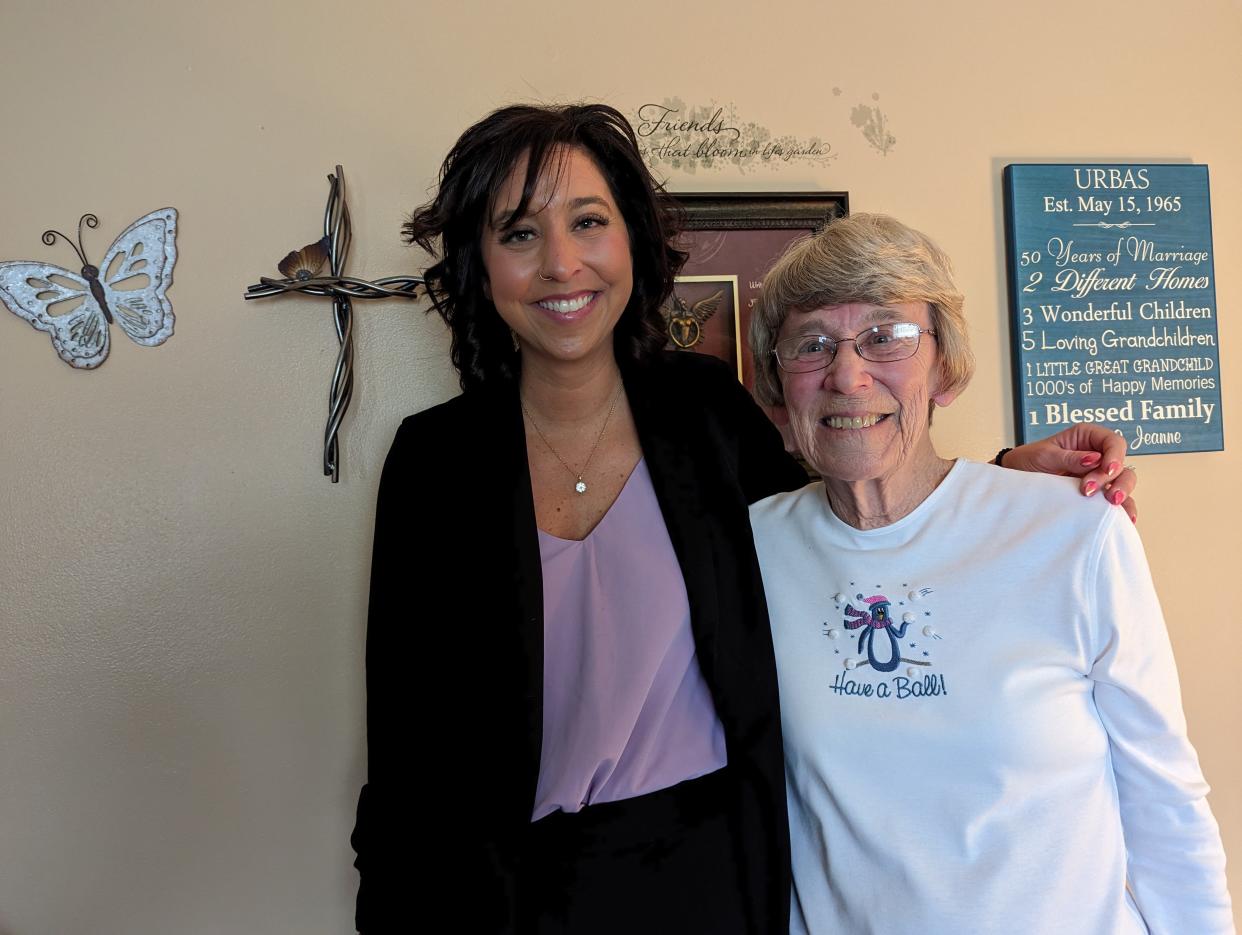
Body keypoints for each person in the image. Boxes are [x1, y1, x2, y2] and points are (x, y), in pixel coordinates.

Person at [350, 104, 1137, 934]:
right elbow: (403, 756)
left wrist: (1008, 481)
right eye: (518, 234)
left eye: (589, 222)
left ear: (631, 244)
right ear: (480, 264)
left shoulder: (706, 414)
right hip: (506, 897)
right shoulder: (433, 463)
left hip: (717, 881)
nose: (562, 263)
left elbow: (854, 509)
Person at [747, 213, 1232, 934]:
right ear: (780, 390)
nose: (847, 375)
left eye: (886, 336)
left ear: (943, 366)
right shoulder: (753, 549)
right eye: (811, 345)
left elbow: (1165, 801)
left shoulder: (1076, 530)